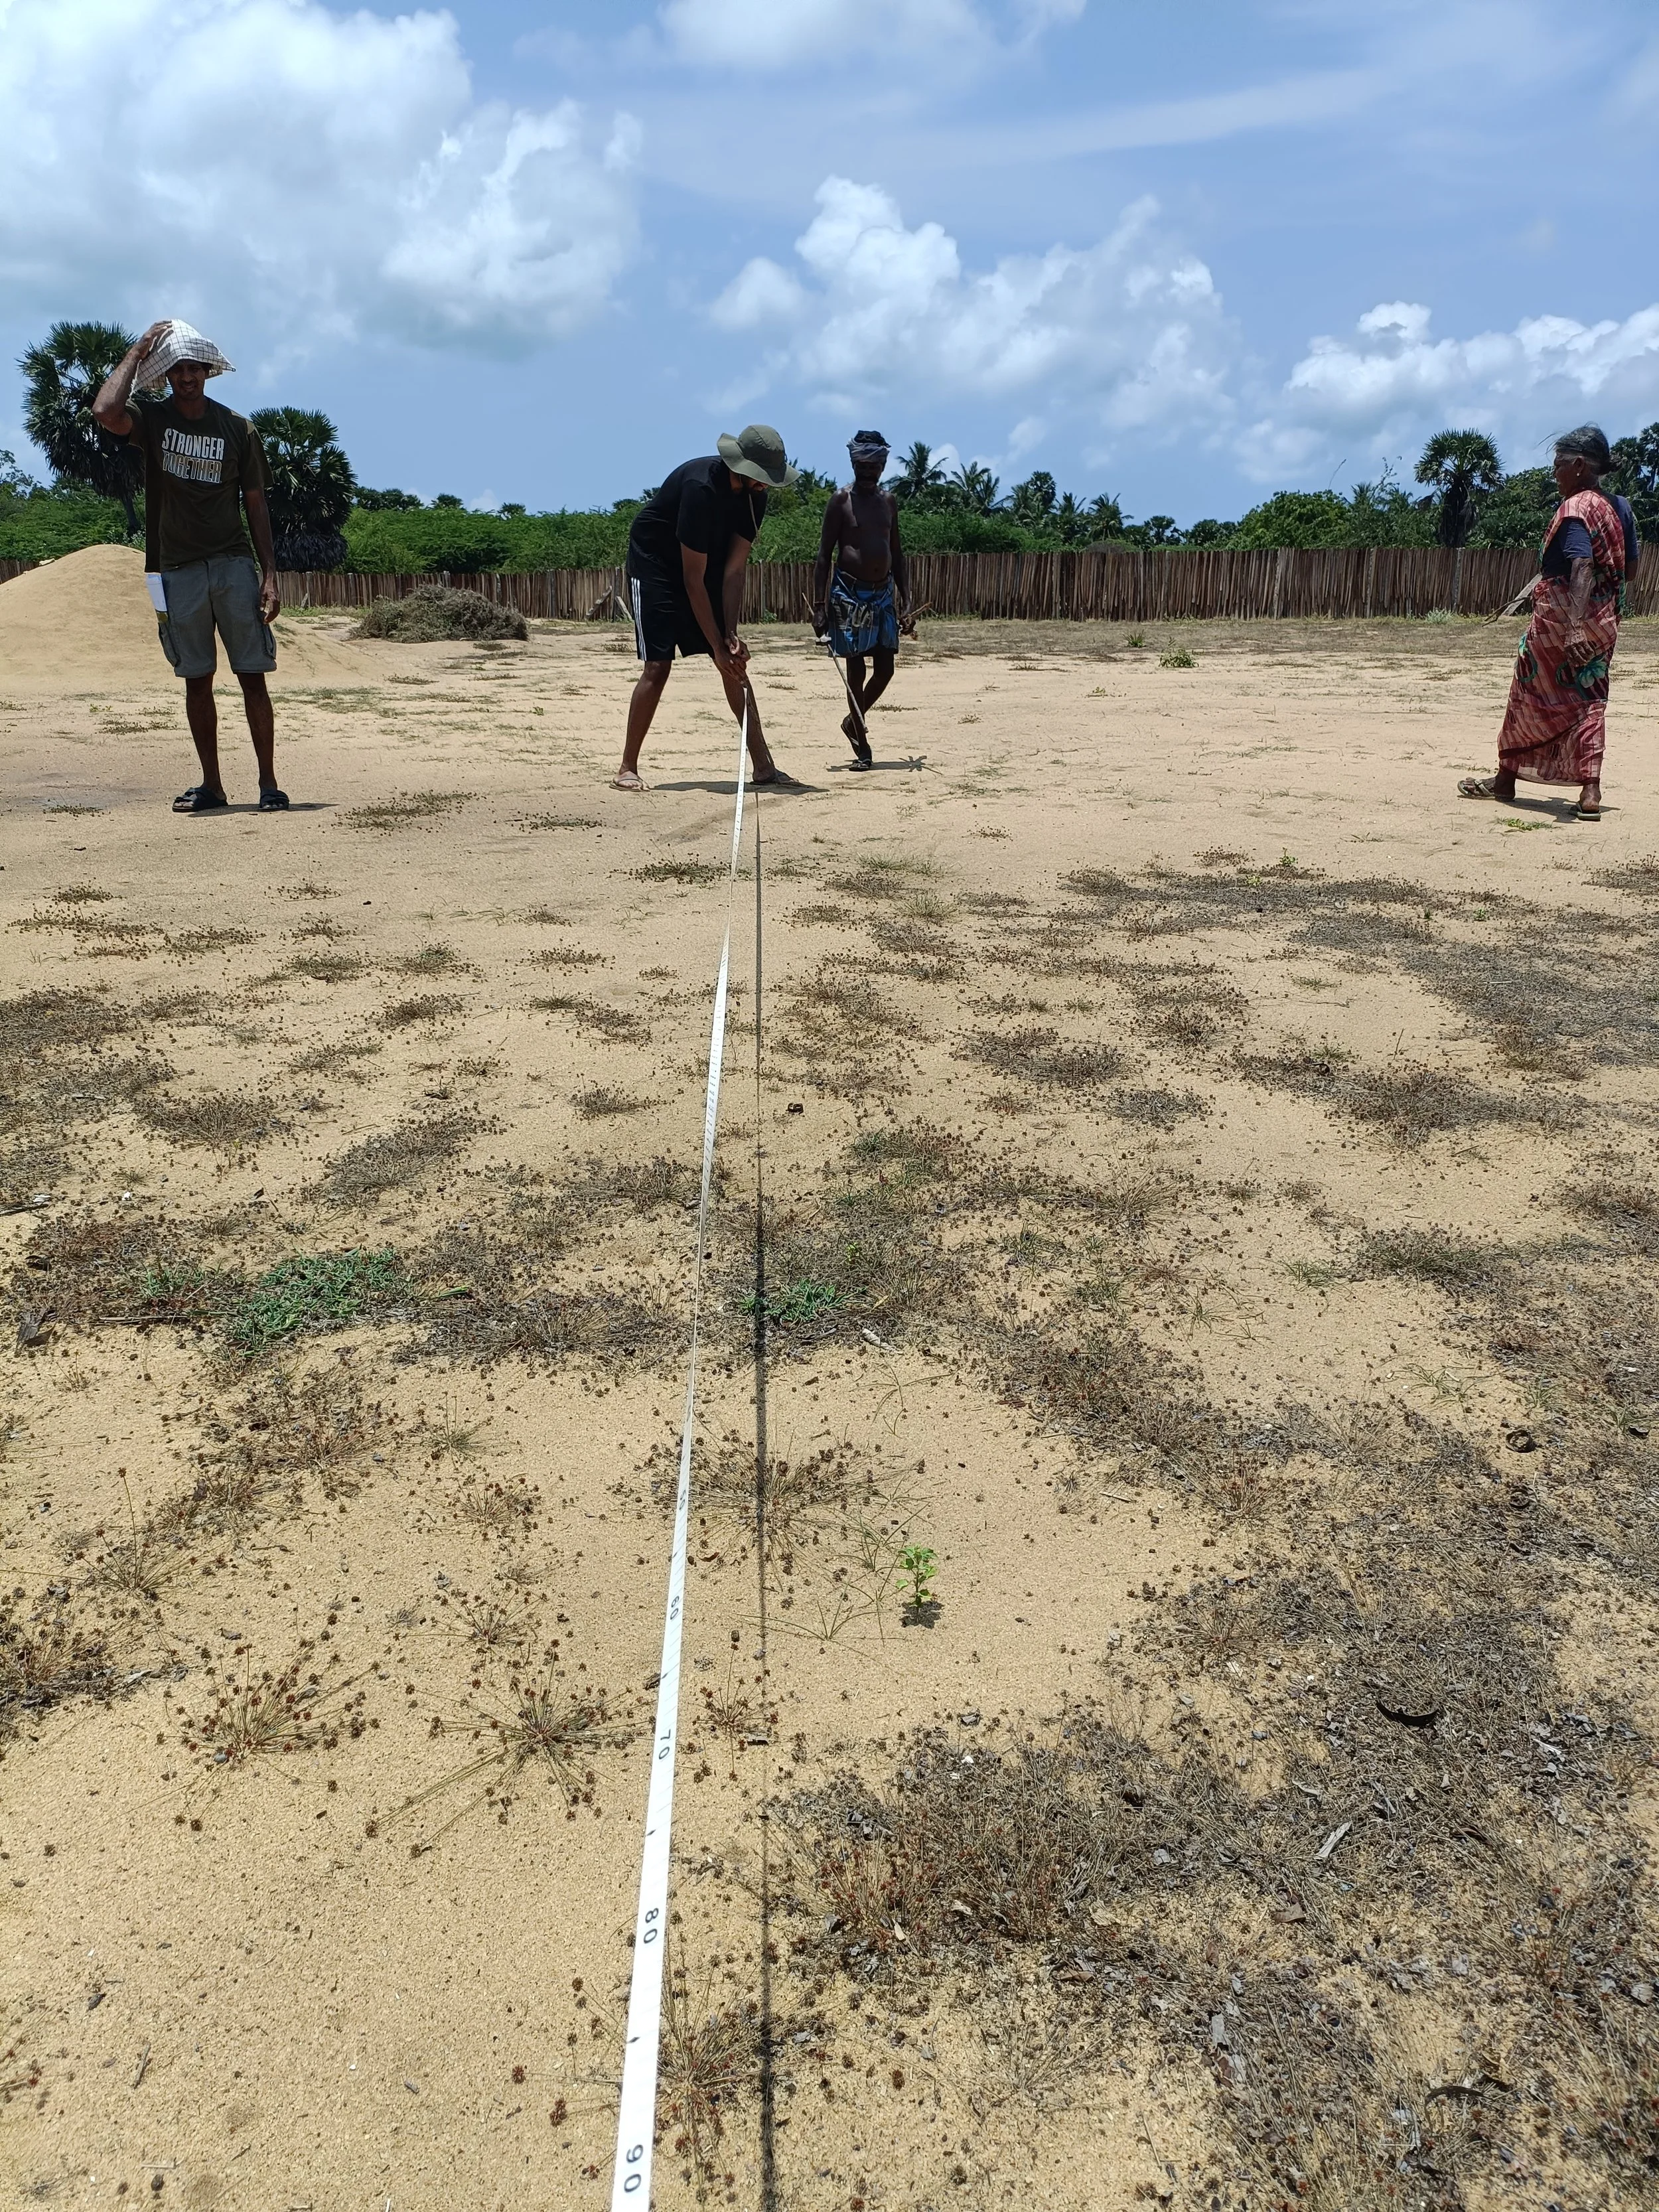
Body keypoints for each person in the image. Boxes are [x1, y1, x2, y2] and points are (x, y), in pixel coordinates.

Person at [92, 319, 286, 816]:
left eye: (195, 367)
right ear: (168, 375)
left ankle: (268, 783)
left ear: (208, 371)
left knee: (252, 676)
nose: (187, 376)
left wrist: (269, 574)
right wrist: (137, 353)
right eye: (177, 368)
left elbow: (256, 503)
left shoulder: (238, 428)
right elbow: (105, 410)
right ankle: (213, 785)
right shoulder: (152, 420)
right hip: (175, 569)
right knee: (197, 679)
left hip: (232, 563)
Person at [1459, 425, 1638, 822]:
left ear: (1578, 465)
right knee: (1590, 702)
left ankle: (1506, 780)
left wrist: (1573, 625)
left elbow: (1582, 564)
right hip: (1604, 622)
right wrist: (1594, 617)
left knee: (1529, 695)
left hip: (1563, 622)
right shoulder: (1621, 508)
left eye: (1558, 465)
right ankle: (1590, 792)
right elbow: (1629, 571)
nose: (1554, 473)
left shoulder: (1576, 509)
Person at [613, 425, 794, 792]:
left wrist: (729, 636)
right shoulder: (700, 487)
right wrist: (714, 645)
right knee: (658, 666)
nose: (765, 485)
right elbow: (691, 579)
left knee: (732, 660)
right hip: (656, 566)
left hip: (706, 563)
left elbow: (734, 569)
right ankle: (627, 767)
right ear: (740, 467)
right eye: (760, 477)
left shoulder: (754, 497)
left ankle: (764, 766)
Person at [812, 430, 912, 766]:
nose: (869, 471)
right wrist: (819, 607)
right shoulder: (840, 501)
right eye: (863, 465)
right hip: (849, 594)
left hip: (883, 594)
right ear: (854, 463)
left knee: (886, 669)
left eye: (876, 466)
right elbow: (824, 555)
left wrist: (907, 599)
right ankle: (863, 745)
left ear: (883, 466)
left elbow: (896, 553)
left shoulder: (889, 502)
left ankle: (853, 720)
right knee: (856, 669)